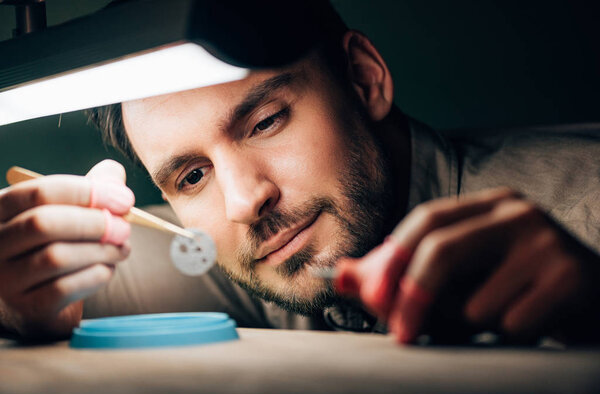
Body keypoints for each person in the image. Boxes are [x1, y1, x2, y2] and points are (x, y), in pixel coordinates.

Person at [1, 0, 599, 344]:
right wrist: (20, 290)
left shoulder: (585, 215)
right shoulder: (241, 252)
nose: (244, 201)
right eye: (191, 178)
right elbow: (51, 273)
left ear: (363, 80)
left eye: (265, 122)